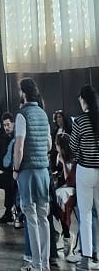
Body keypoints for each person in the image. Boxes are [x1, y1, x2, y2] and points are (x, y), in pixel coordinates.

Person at [13, 77, 51, 271]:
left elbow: (19, 147)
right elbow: (49, 145)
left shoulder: (22, 115)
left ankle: (36, 264)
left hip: (27, 170)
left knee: (31, 218)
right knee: (43, 217)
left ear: (24, 93)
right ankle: (45, 264)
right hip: (43, 170)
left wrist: (15, 169)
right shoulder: (43, 114)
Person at [69, 85, 99, 270]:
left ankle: (86, 259)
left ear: (83, 99)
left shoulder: (80, 121)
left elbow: (73, 147)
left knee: (86, 215)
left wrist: (79, 155)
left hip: (85, 170)